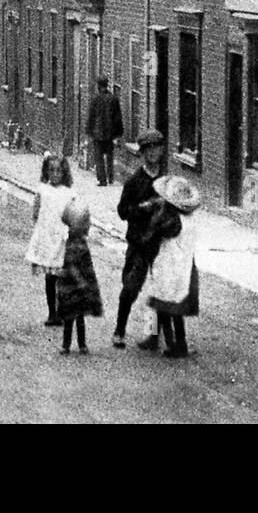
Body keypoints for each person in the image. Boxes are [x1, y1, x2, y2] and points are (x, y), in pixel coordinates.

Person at [112, 129, 167, 349]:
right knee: (131, 288)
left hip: (160, 243)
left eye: (157, 148)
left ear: (162, 151)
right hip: (139, 243)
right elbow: (123, 211)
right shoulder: (134, 181)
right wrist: (143, 208)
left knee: (159, 290)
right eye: (148, 149)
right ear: (142, 153)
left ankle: (153, 336)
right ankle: (119, 330)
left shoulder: (166, 180)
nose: (153, 153)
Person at [143, 175, 202, 359]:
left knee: (161, 303)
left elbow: (154, 233)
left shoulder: (171, 220)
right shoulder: (189, 219)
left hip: (169, 266)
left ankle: (174, 343)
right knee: (165, 304)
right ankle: (155, 337)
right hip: (184, 266)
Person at [24, 153, 76, 327]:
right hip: (47, 238)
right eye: (51, 170)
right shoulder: (42, 189)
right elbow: (36, 212)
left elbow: (73, 215)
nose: (55, 174)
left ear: (64, 173)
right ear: (46, 172)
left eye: (59, 171)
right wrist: (41, 230)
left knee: (61, 276)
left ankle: (61, 310)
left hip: (62, 238)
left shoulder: (69, 193)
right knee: (49, 277)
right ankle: (52, 312)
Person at [56, 199, 102, 355]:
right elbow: (72, 265)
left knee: (75, 317)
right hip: (74, 286)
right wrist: (82, 282)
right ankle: (70, 344)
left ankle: (74, 344)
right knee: (73, 318)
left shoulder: (74, 241)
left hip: (71, 286)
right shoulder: (76, 244)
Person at [86, 75, 124, 187]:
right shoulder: (113, 99)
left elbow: (91, 117)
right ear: (107, 85)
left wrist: (89, 131)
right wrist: (118, 133)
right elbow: (118, 118)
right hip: (110, 133)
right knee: (110, 156)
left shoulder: (95, 99)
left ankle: (102, 180)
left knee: (98, 157)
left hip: (97, 134)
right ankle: (111, 177)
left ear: (98, 86)